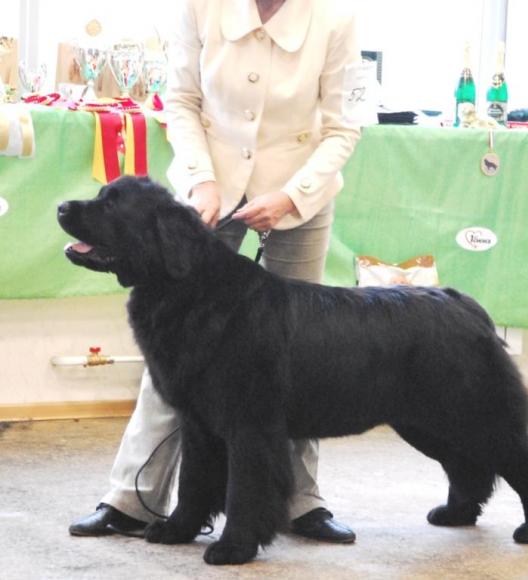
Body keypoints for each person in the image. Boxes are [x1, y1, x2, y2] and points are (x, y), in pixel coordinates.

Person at [69, 0, 364, 543]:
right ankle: (133, 498)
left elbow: (344, 129)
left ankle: (301, 502)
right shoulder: (198, 6)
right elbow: (179, 102)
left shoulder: (336, 18)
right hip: (208, 192)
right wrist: (203, 180)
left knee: (297, 354)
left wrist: (291, 195)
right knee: (173, 350)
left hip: (300, 191)